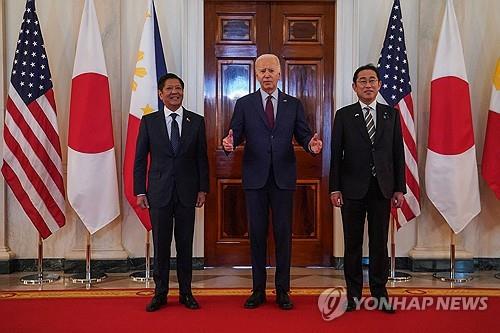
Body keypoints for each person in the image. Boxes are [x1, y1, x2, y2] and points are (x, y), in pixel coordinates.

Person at [222, 54, 323, 310]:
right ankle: (257, 290)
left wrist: (311, 145)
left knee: (282, 235)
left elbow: (303, 134)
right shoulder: (244, 104)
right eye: (262, 71)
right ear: (256, 75)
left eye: (271, 70)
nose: (266, 75)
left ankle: (282, 290)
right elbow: (235, 133)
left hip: (283, 178)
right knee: (256, 235)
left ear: (280, 74)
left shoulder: (293, 104)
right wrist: (229, 143)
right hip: (255, 179)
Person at [329, 64, 405, 313]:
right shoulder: (343, 115)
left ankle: (380, 294)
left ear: (380, 84)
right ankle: (352, 295)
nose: (368, 85)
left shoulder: (390, 115)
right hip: (351, 189)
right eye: (362, 81)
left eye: (372, 80)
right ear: (354, 87)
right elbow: (336, 156)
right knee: (352, 244)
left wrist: (399, 189)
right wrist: (334, 188)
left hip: (382, 189)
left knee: (379, 244)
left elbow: (397, 154)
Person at [134, 73, 209, 312]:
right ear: (160, 93)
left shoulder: (196, 121)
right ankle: (160, 293)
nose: (174, 92)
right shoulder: (149, 121)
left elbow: (201, 159)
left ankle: (186, 293)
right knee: (161, 245)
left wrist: (202, 189)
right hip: (159, 192)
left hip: (188, 193)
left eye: (178, 88)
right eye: (169, 88)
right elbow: (139, 160)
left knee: (185, 245)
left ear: (183, 92)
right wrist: (140, 191)